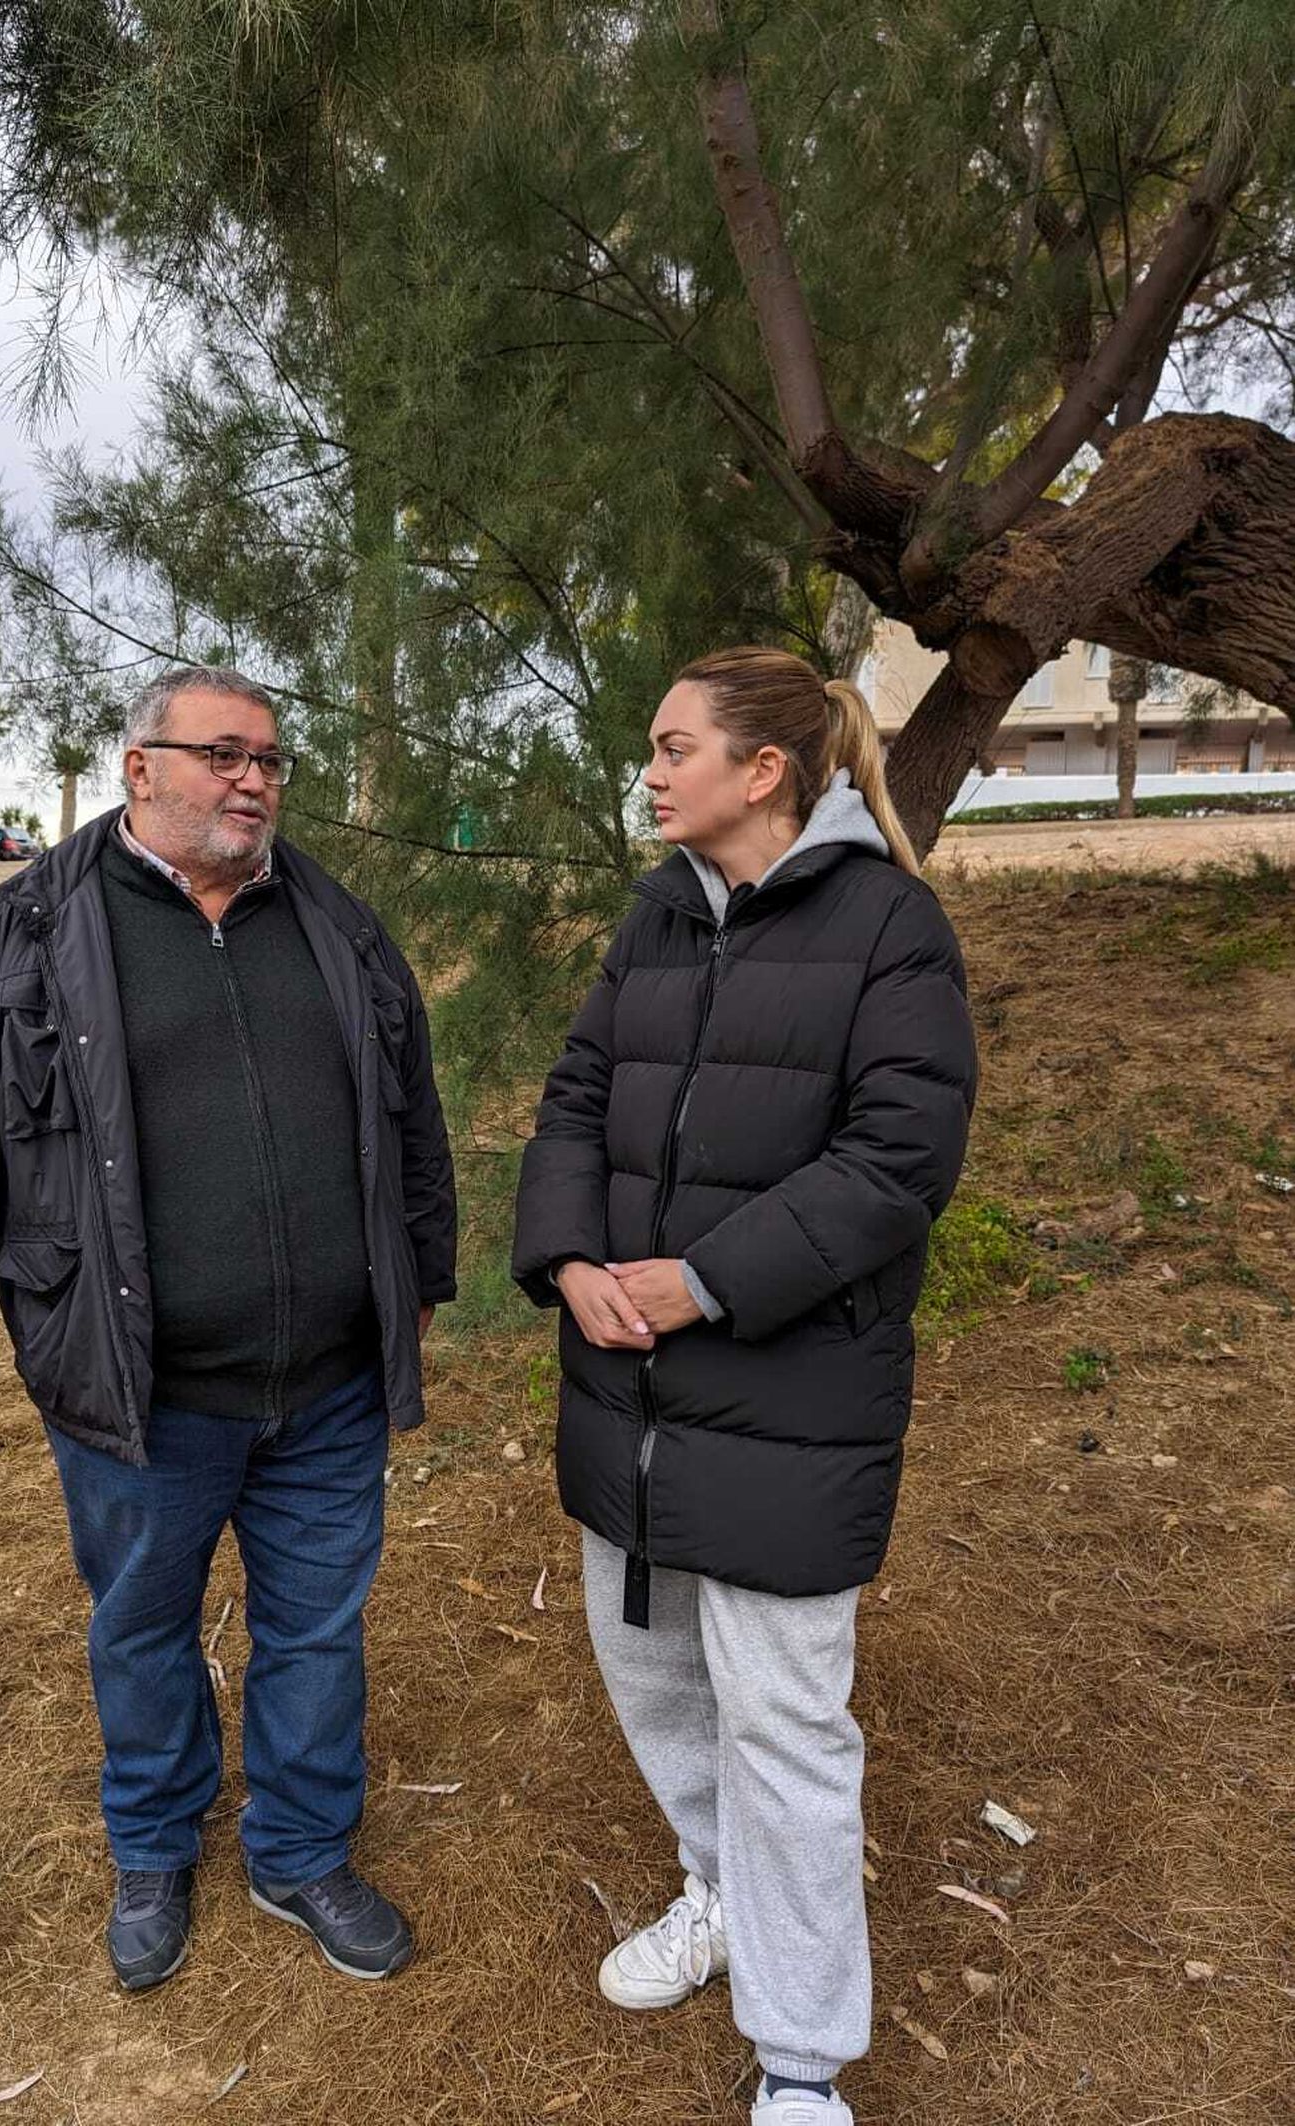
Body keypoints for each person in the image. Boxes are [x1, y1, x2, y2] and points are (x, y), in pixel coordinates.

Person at [0, 666, 456, 1993]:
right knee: (144, 1623)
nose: (254, 779)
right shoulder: (25, 930)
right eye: (223, 754)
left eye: (270, 759)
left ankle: (302, 1848)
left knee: (316, 1628)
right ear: (141, 768)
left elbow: (409, 1109)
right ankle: (152, 1842)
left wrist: (419, 1268)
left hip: (326, 1381)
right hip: (140, 1388)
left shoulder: (334, 922)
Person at [512, 648, 977, 2125]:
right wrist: (572, 1256)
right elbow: (579, 1094)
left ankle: (801, 2056)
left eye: (670, 746)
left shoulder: (889, 926)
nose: (648, 772)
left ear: (761, 768)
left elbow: (899, 1159)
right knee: (652, 1676)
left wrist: (704, 1279)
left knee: (784, 1721)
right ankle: (720, 1888)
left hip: (789, 1403)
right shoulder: (657, 913)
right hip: (628, 1398)